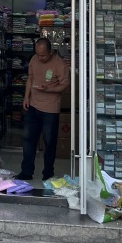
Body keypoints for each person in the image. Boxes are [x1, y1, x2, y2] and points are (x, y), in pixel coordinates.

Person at [15, 37, 70, 181]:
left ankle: (48, 174)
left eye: (43, 55)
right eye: (38, 54)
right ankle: (26, 171)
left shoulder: (60, 64)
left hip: (50, 109)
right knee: (28, 140)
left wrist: (49, 89)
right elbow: (30, 78)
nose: (40, 58)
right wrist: (26, 97)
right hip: (33, 106)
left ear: (50, 52)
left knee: (49, 142)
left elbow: (65, 85)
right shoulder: (34, 59)